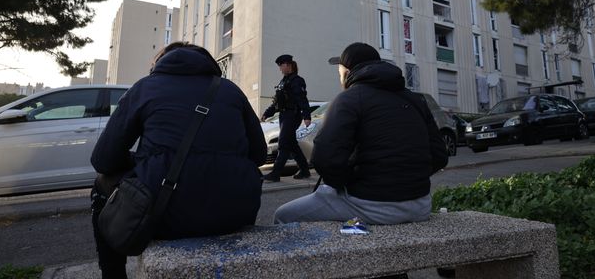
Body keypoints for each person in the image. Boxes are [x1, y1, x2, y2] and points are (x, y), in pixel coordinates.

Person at [90, 42, 267, 279]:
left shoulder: (145, 88)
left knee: (102, 183)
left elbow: (104, 160)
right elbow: (259, 156)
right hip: (236, 213)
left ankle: (113, 275)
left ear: (160, 63)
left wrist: (145, 161)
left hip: (163, 215)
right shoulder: (231, 90)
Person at [274, 42, 448, 225]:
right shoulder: (416, 100)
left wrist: (350, 183)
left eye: (339, 73)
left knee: (283, 215)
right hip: (420, 205)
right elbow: (439, 155)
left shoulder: (349, 98)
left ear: (347, 72)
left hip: (371, 204)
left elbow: (324, 158)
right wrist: (409, 179)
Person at [260, 54, 312, 182]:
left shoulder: (297, 81)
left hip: (292, 115)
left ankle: (276, 173)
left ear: (288, 65)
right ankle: (305, 170)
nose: (280, 69)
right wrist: (267, 113)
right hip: (284, 116)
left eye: (281, 66)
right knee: (292, 144)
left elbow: (302, 99)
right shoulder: (283, 81)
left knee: (283, 143)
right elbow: (277, 102)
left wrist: (307, 115)